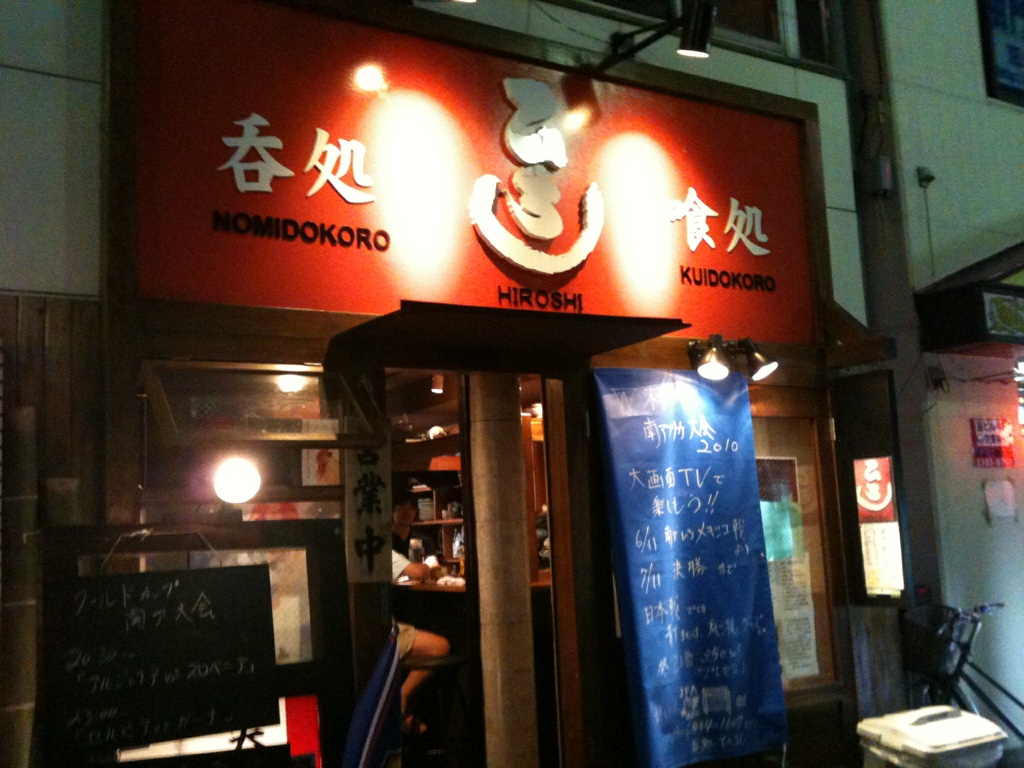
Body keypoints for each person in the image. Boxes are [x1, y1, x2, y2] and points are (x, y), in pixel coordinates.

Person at [391, 546, 449, 734]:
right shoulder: (380, 550)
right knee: (440, 647)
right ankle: (401, 700)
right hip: (383, 634)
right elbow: (418, 571)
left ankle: (404, 711)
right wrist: (429, 565)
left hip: (372, 631)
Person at [391, 495, 436, 560]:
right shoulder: (386, 542)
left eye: (411, 508)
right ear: (392, 511)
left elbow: (431, 561)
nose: (407, 512)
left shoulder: (424, 541)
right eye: (402, 508)